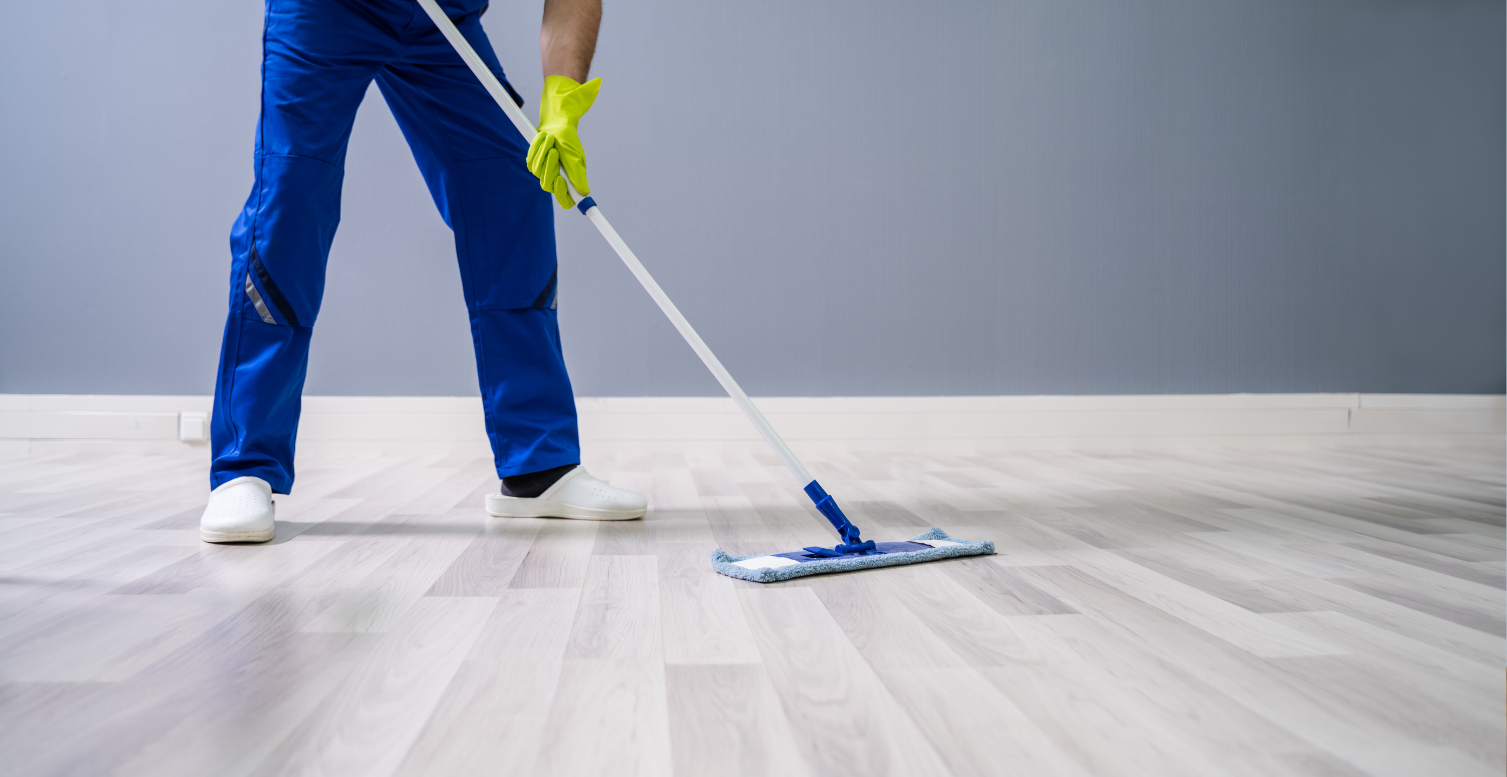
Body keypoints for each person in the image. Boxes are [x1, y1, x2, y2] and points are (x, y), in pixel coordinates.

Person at [198, 0, 645, 543]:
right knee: (289, 202)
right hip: (325, 11)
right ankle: (245, 465)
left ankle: (539, 465)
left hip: (441, 17)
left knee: (511, 189)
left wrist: (561, 101)